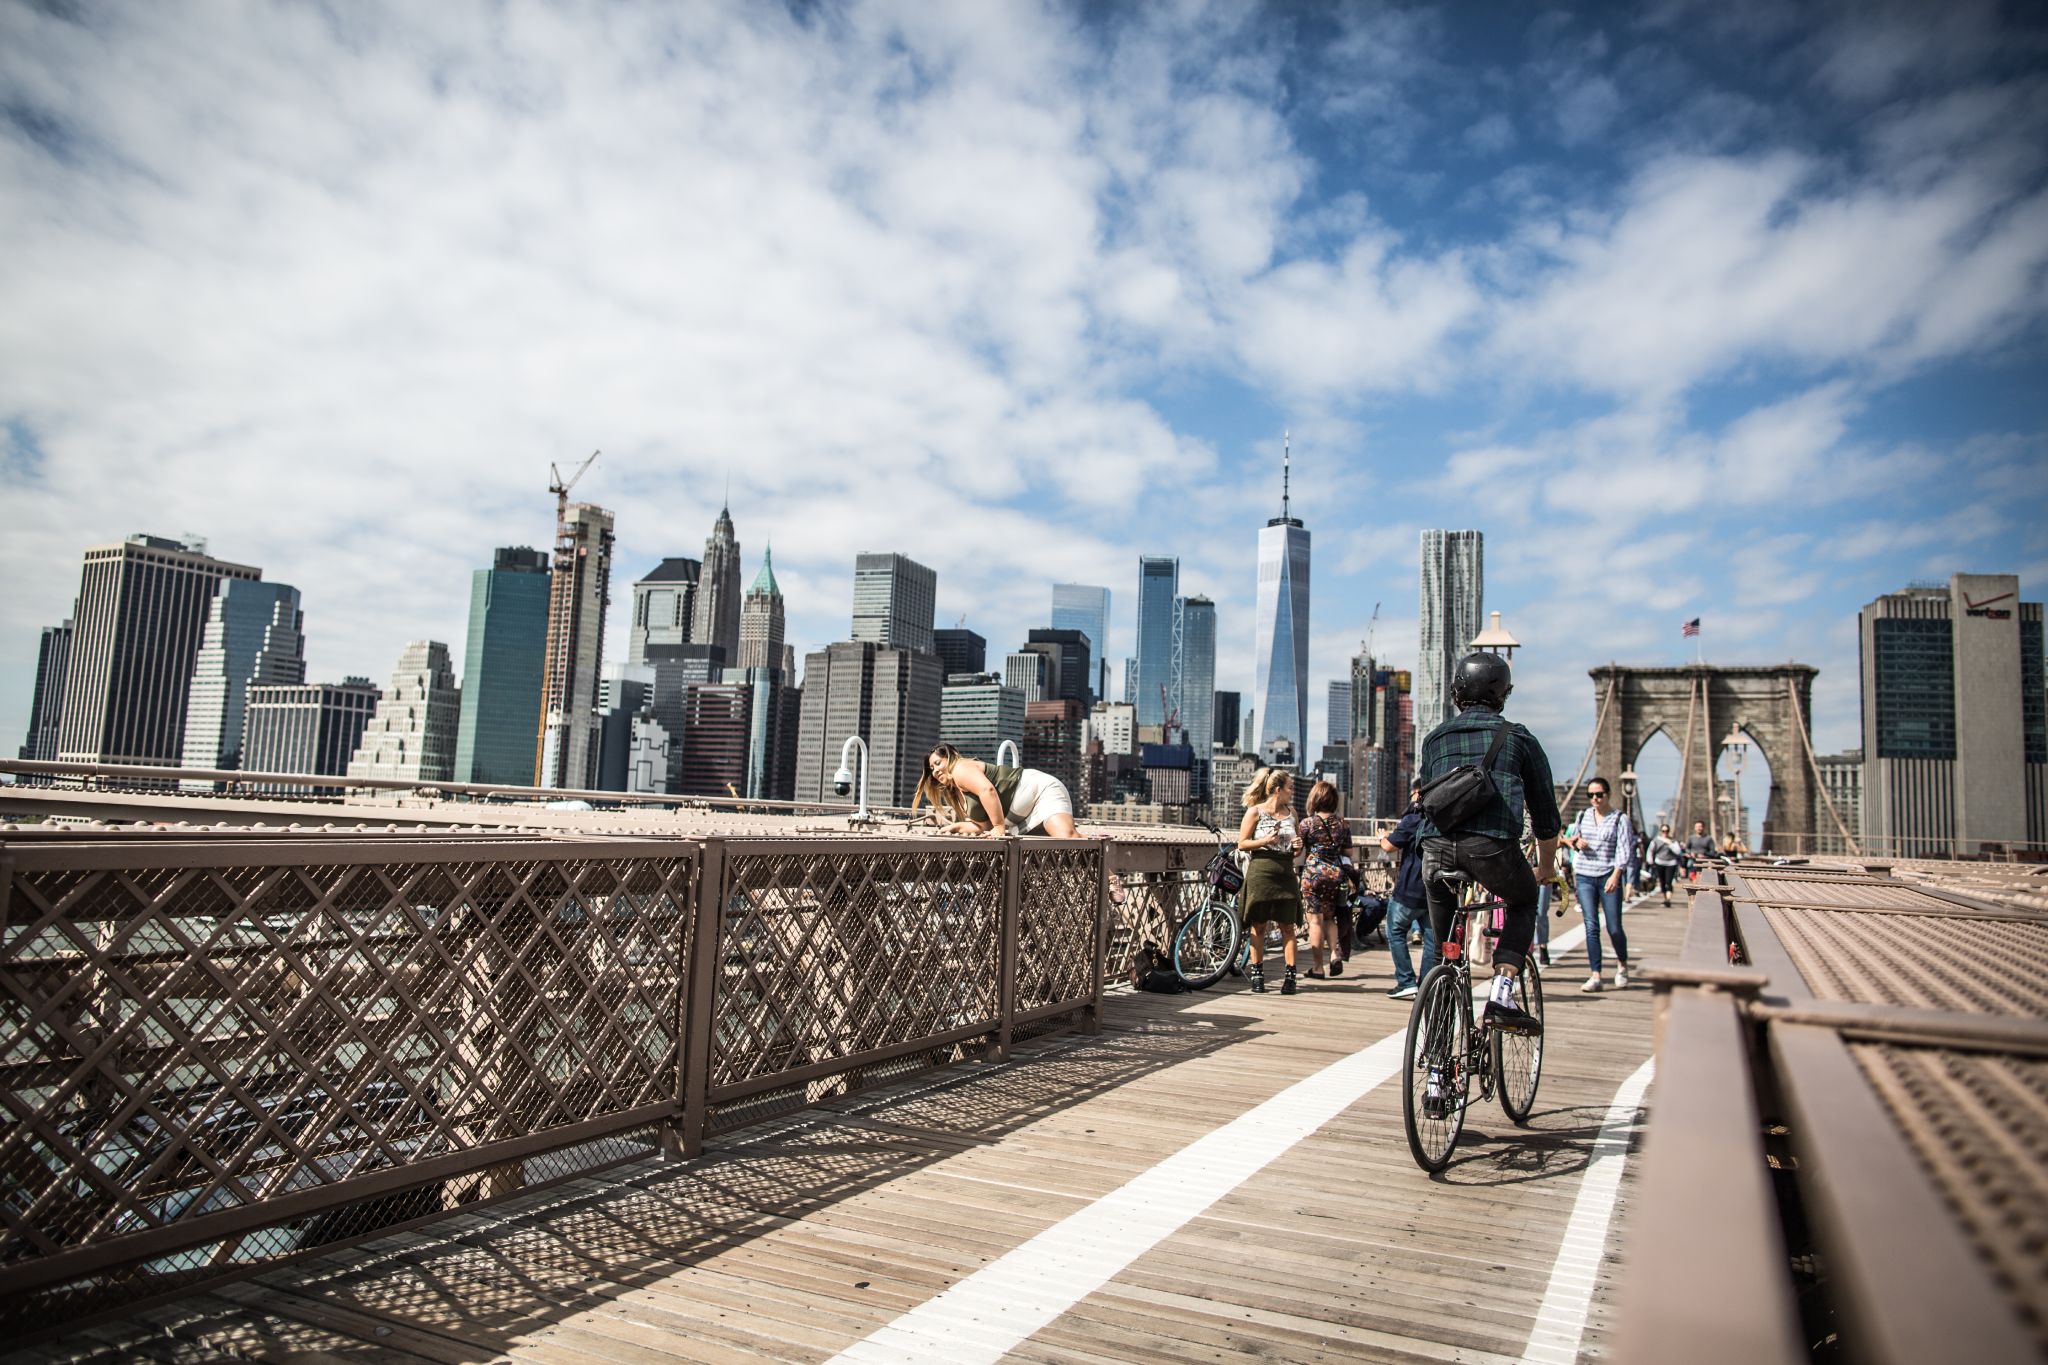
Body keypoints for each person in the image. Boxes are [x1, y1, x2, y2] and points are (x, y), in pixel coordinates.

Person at [1415, 653, 1560, 1036]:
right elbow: (1546, 815)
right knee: (1524, 900)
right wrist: (1546, 868)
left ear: (1455, 693)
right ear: (1504, 695)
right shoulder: (1518, 737)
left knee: (1440, 944)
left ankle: (1436, 1070)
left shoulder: (1434, 740)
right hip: (1492, 849)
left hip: (1435, 851)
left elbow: (1426, 795)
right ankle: (1501, 992)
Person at [1236, 768, 1304, 995]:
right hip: (1261, 872)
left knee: (1287, 924)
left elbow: (1295, 849)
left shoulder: (1292, 812)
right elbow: (1242, 844)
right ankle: (1257, 976)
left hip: (1286, 871)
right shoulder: (1255, 812)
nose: (1292, 792)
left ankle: (1290, 978)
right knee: (1260, 925)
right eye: (1290, 788)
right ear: (1278, 790)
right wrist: (1264, 841)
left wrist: (1298, 848)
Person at [915, 744, 1077, 838]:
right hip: (1022, 819)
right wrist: (957, 827)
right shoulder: (957, 794)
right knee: (1060, 848)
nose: (935, 771)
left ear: (950, 758)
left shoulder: (960, 769)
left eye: (938, 763)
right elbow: (985, 826)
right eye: (932, 769)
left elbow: (988, 790)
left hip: (1042, 792)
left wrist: (999, 827)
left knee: (1067, 838)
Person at [1564, 779, 1634, 991]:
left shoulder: (1620, 819)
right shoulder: (1582, 815)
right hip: (1584, 875)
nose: (1595, 798)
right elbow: (1572, 839)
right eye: (1591, 794)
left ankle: (1622, 965)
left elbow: (1624, 850)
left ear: (1609, 793)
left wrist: (1616, 875)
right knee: (1591, 926)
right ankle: (1596, 976)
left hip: (1608, 876)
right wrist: (1576, 843)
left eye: (1599, 794)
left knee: (1613, 927)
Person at [1379, 782, 1438, 1000]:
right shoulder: (1442, 819)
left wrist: (1381, 837)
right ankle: (1426, 985)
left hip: (1409, 889)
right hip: (1434, 892)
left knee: (1394, 931)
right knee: (1432, 940)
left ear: (1418, 794)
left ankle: (1405, 981)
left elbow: (1388, 846)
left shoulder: (1413, 819)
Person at [1297, 781, 1354, 978]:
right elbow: (1348, 851)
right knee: (1330, 918)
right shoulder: (1342, 823)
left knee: (1315, 922)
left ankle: (1318, 967)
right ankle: (1333, 955)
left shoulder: (1307, 824)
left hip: (1313, 876)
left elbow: (1297, 849)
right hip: (1335, 876)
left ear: (1314, 799)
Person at [1647, 823, 1684, 906]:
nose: (1665, 833)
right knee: (1662, 881)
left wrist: (1670, 844)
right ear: (1661, 831)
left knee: (1669, 881)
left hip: (1671, 863)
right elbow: (1650, 850)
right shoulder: (1656, 840)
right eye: (1663, 831)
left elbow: (1678, 852)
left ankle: (1668, 899)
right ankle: (1664, 899)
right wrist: (1650, 861)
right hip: (1659, 862)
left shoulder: (1673, 841)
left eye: (1667, 831)